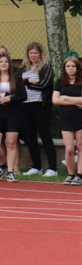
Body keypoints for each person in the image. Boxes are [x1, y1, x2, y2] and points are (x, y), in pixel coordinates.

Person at [0, 53, 26, 182]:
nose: (3, 64)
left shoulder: (16, 78)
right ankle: (2, 165)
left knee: (11, 143)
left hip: (12, 113)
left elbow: (23, 96)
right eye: (1, 61)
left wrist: (10, 98)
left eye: (6, 62)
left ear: (9, 64)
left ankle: (11, 172)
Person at [20, 42, 58, 177]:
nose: (33, 55)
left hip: (41, 106)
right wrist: (28, 81)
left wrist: (27, 83)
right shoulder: (24, 68)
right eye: (31, 53)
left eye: (36, 53)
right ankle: (36, 166)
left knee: (45, 136)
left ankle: (53, 168)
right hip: (26, 105)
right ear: (28, 54)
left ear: (40, 54)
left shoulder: (46, 68)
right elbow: (19, 84)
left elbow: (43, 85)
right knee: (30, 137)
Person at [52, 57, 82, 185]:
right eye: (68, 66)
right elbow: (55, 100)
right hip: (66, 119)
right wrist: (75, 100)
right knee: (69, 149)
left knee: (80, 146)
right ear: (64, 68)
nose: (71, 68)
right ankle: (70, 174)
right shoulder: (59, 82)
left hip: (80, 118)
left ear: (77, 68)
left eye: (73, 66)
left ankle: (80, 175)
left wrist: (65, 98)